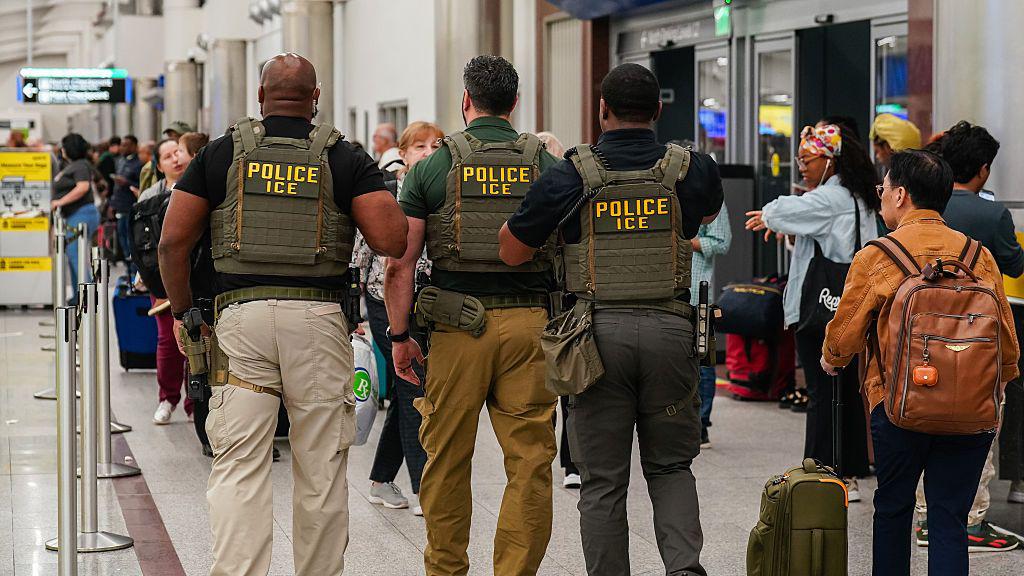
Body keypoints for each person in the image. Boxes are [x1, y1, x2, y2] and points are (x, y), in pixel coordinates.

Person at [159, 53, 407, 576]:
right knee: (320, 467)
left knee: (239, 466)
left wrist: (184, 315)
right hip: (318, 322)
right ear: (315, 97)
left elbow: (172, 243)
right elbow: (391, 239)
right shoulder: (342, 157)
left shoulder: (223, 153)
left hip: (239, 322)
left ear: (260, 95)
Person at [499, 62, 723, 575]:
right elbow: (706, 216)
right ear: (658, 111)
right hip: (671, 332)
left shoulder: (572, 173)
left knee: (602, 481)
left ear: (601, 111)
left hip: (594, 338)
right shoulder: (694, 168)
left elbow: (513, 250)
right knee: (671, 467)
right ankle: (685, 568)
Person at [384, 54, 559, 575]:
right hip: (531, 325)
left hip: (456, 330)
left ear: (466, 101)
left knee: (446, 460)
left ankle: (446, 569)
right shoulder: (547, 165)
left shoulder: (432, 167)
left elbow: (400, 265)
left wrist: (398, 336)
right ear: (515, 103)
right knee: (530, 463)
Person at [820, 149, 1021, 576]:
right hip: (970, 410)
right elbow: (1007, 341)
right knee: (948, 516)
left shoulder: (879, 255)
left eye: (884, 188)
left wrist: (831, 359)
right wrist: (993, 387)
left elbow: (845, 333)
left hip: (898, 405)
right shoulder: (977, 255)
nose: (882, 197)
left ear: (901, 195)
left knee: (893, 508)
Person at [745, 123, 879, 500]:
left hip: (819, 310)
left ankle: (823, 471)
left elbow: (783, 208)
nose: (801, 166)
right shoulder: (859, 196)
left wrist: (771, 216)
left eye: (807, 159)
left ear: (830, 159)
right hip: (851, 307)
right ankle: (851, 469)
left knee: (821, 390)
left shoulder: (828, 198)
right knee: (848, 390)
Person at [914, 121, 1024, 552]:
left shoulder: (922, 209)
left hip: (920, 337)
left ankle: (925, 518)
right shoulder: (991, 214)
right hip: (975, 339)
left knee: (924, 420)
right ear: (982, 169)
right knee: (978, 423)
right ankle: (970, 519)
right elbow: (1014, 266)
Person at [357, 120, 443, 517]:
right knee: (413, 389)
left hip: (426, 301)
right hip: (385, 299)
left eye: (436, 145)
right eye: (419, 146)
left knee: (412, 388)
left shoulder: (442, 193)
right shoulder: (388, 194)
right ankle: (423, 486)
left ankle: (379, 479)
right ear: (402, 154)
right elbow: (360, 256)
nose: (428, 152)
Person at [535, 130, 579, 488]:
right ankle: (549, 453)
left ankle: (571, 462)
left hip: (566, 303)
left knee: (569, 385)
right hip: (540, 303)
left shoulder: (572, 195)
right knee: (542, 386)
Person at [691, 203, 732, 449]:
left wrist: (689, 243)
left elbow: (722, 241)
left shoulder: (707, 196)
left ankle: (701, 425)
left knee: (703, 361)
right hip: (662, 294)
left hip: (698, 295)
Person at [51, 133, 100, 299]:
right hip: (74, 215)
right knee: (73, 257)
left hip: (81, 214)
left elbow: (83, 187)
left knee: (76, 256)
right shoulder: (73, 165)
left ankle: (85, 298)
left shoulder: (80, 166)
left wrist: (60, 202)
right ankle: (77, 295)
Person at [111, 134, 142, 270]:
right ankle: (127, 269)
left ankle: (134, 270)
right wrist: (112, 204)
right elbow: (116, 188)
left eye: (125, 145)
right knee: (122, 238)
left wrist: (127, 182)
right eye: (121, 144)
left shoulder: (139, 164)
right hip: (120, 205)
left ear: (134, 146)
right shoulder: (120, 161)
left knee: (131, 240)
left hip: (131, 206)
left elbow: (141, 186)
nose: (122, 147)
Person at [140, 122, 195, 192]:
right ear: (159, 166)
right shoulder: (152, 192)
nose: (175, 159)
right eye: (170, 135)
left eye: (177, 136)